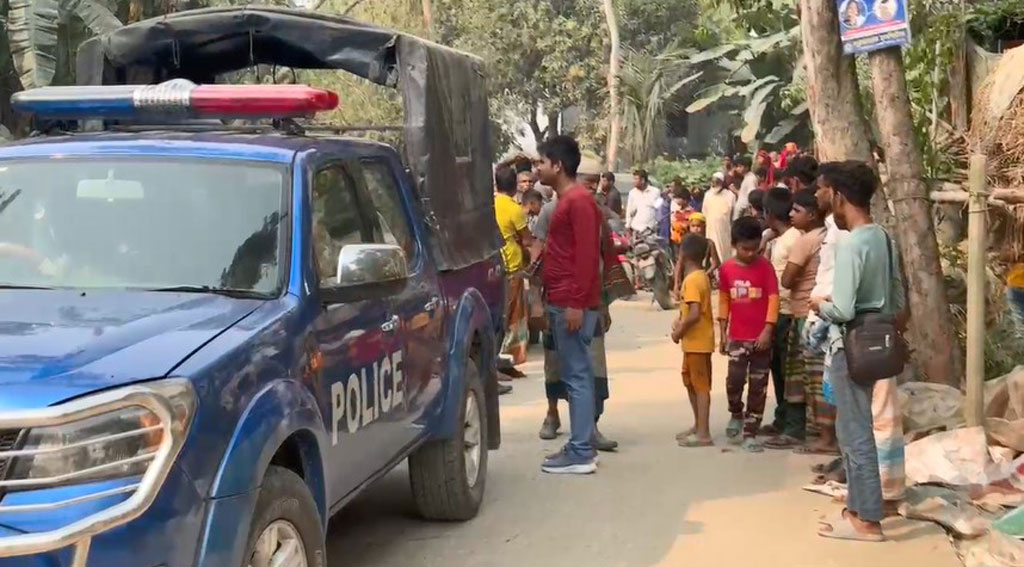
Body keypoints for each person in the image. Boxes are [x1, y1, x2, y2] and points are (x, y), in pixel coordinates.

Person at [812, 161, 906, 542]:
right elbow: (898, 298)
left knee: (854, 433)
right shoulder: (883, 238)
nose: (819, 197)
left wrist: (821, 304)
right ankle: (857, 508)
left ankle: (867, 519)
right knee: (860, 427)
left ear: (837, 194)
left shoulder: (851, 244)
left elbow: (844, 310)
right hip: (877, 345)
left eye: (822, 190)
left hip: (848, 346)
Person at [535, 135, 604, 475]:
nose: (537, 168)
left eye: (541, 162)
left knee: (576, 375)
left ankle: (580, 451)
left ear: (557, 165)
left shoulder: (577, 202)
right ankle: (581, 443)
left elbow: (588, 256)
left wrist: (576, 303)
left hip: (571, 303)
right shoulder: (569, 200)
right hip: (564, 299)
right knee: (577, 374)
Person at [766, 190, 833, 451]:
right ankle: (818, 430)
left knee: (800, 375)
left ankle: (799, 431)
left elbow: (786, 280)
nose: (791, 215)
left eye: (797, 210)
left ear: (812, 214)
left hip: (804, 313)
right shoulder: (826, 237)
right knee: (816, 376)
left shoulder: (806, 242)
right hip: (816, 312)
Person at [717, 216, 779, 452]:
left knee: (758, 385)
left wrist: (768, 329)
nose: (751, 253)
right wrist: (722, 331)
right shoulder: (727, 269)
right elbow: (723, 299)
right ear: (734, 244)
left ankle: (751, 430)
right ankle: (736, 412)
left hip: (761, 337)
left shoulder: (765, 267)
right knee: (734, 380)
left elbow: (773, 299)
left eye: (755, 249)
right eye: (745, 249)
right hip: (737, 336)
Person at [760, 187, 798, 438]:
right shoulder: (779, 239)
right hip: (778, 311)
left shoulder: (792, 240)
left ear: (769, 213)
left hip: (788, 310)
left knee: (787, 370)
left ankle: (792, 424)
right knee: (777, 368)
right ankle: (781, 418)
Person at [672, 233, 716, 448]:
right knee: (691, 382)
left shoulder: (692, 280)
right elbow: (689, 309)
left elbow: (694, 313)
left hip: (697, 342)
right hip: (695, 342)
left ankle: (703, 432)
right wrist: (679, 319)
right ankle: (699, 425)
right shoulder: (701, 277)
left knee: (700, 387)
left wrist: (678, 331)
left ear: (683, 254)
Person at [494, 163, 534, 367]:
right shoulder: (514, 209)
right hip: (512, 265)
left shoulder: (490, 205)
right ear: (514, 186)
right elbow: (527, 240)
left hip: (495, 267)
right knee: (512, 315)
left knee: (500, 313)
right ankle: (509, 356)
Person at [701, 171, 736, 262]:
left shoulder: (730, 196)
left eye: (717, 182)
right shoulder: (707, 195)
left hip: (725, 230)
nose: (715, 184)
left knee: (725, 253)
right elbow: (704, 213)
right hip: (711, 229)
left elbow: (733, 215)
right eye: (713, 182)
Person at [625, 169, 662, 236]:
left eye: (636, 179)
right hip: (636, 229)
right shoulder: (632, 193)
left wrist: (657, 224)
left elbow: (659, 210)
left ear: (642, 180)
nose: (634, 181)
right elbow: (629, 211)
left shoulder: (655, 192)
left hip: (650, 230)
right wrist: (628, 226)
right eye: (634, 179)